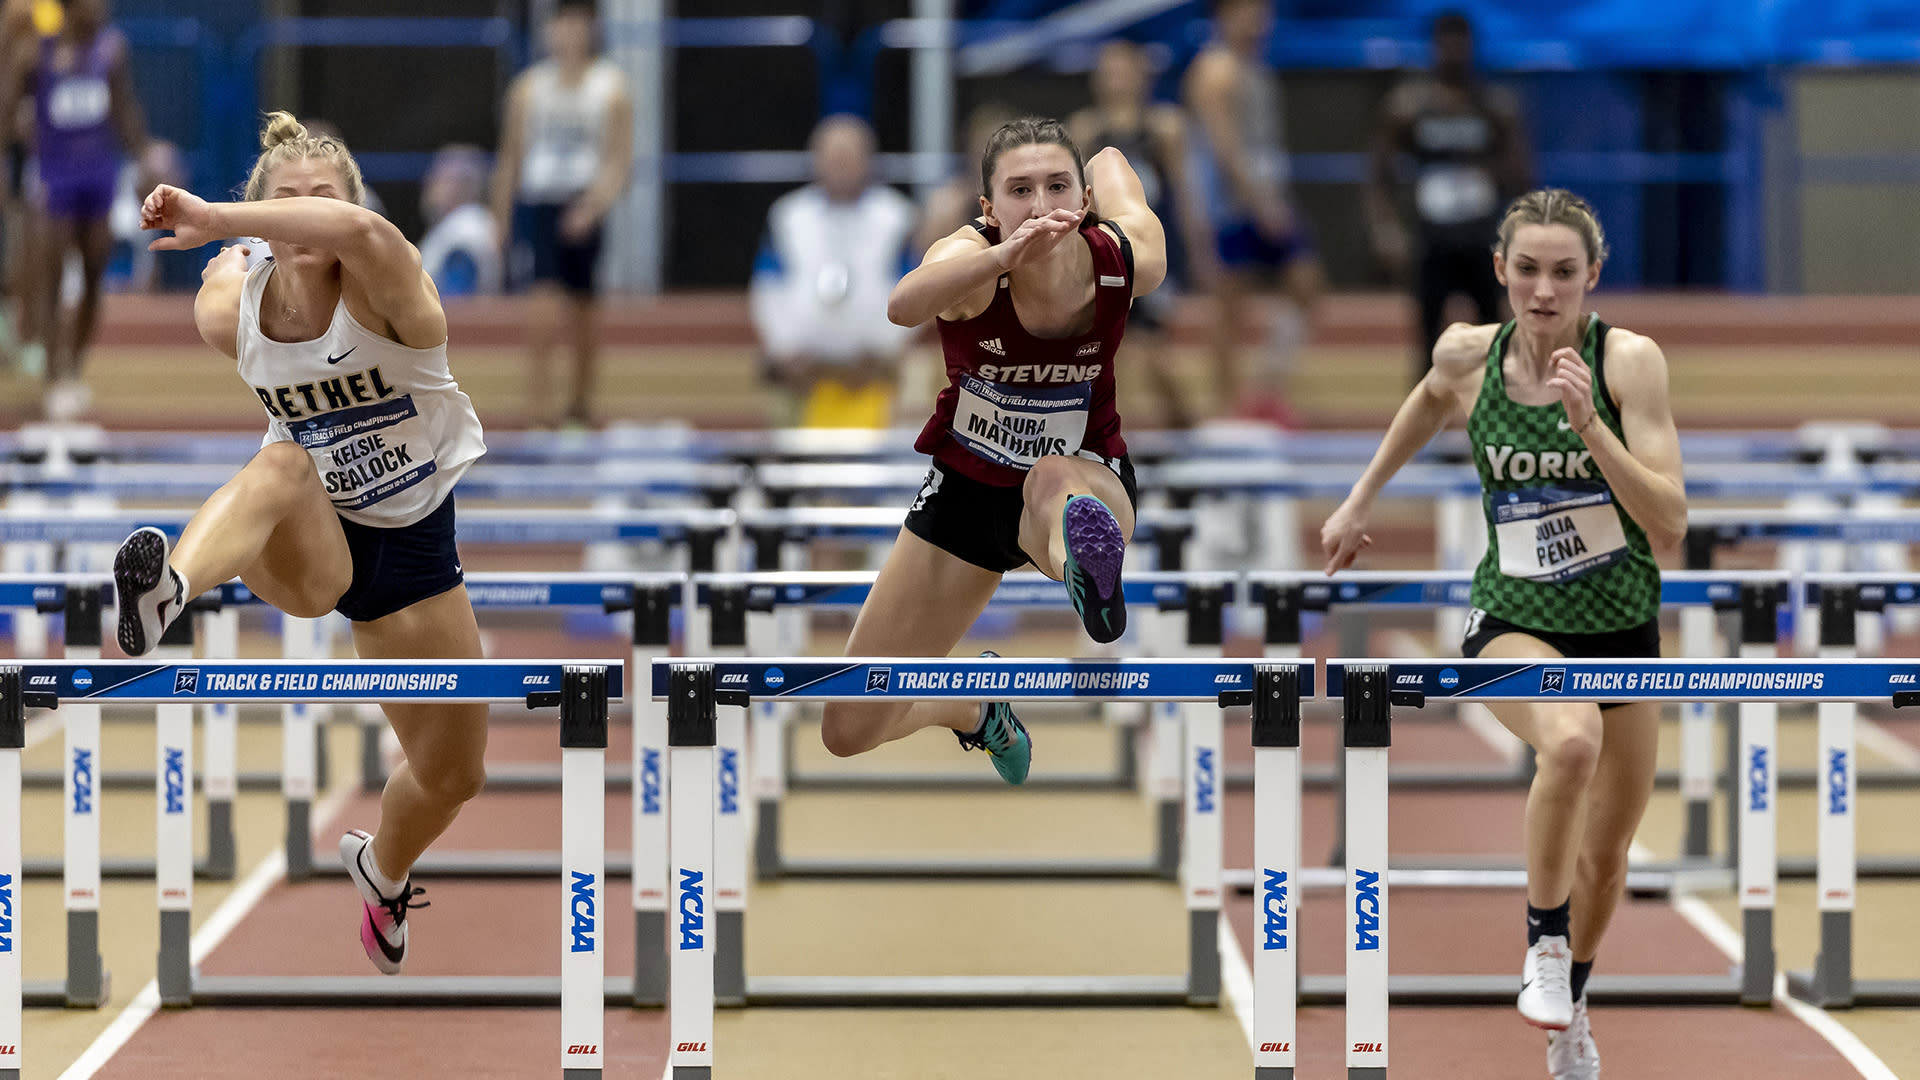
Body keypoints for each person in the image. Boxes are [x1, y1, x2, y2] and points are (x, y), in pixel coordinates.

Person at [1320, 190, 1686, 1080]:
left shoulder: (1628, 363)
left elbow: (1671, 520)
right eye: (1527, 270)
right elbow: (1427, 400)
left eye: (1564, 273)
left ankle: (1573, 1012)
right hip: (1513, 621)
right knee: (1570, 740)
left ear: (1592, 278)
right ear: (1500, 272)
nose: (1544, 290)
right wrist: (1361, 498)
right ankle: (1543, 945)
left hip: (1624, 630)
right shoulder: (1466, 355)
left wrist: (1590, 428)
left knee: (1607, 862)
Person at [114, 111, 489, 977]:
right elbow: (225, 286)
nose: (308, 216)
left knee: (454, 777)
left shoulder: (388, 279)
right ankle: (168, 585)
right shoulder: (229, 308)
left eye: (321, 199)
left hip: (414, 556)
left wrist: (220, 223)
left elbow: (352, 230)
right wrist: (230, 251)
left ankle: (382, 868)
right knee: (281, 464)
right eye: (287, 203)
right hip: (311, 545)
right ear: (262, 215)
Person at [819, 118, 1168, 785]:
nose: (1040, 207)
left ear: (1084, 199)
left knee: (1053, 477)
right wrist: (1002, 256)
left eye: (1058, 187)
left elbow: (1123, 184)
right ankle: (966, 706)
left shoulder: (1120, 261)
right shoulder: (970, 262)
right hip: (967, 491)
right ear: (988, 210)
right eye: (1019, 191)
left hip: (1083, 476)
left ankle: (1085, 569)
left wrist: (1105, 158)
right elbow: (901, 306)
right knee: (847, 726)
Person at [0, 0, 148, 418]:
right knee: (48, 277)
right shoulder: (35, 51)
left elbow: (125, 112)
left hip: (98, 176)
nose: (100, 8)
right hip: (53, 178)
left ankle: (74, 365)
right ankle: (52, 375)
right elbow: (6, 112)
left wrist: (145, 156)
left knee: (94, 273)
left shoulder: (111, 49)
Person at [1366, 10, 1531, 383]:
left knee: (1496, 334)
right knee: (1427, 339)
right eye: (1447, 43)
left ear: (1473, 47)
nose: (1454, 51)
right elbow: (1380, 175)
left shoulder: (1494, 106)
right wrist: (1385, 229)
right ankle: (1425, 428)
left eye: (1462, 43)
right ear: (1434, 47)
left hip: (1482, 236)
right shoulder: (1409, 107)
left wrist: (1521, 234)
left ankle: (1499, 422)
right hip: (1433, 237)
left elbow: (1521, 176)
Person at [490, 0, 633, 429]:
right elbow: (511, 157)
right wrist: (500, 216)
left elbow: (619, 160)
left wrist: (594, 206)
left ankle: (581, 403)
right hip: (542, 200)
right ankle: (539, 406)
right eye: (562, 24)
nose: (569, 33)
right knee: (543, 299)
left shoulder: (612, 88)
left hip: (585, 201)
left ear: (591, 30)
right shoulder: (528, 89)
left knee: (585, 305)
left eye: (578, 25)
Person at [1182, 0, 1321, 427]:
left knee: (1305, 283)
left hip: (1265, 195)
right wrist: (1257, 203)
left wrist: (1274, 197)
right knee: (1229, 310)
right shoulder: (1216, 70)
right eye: (1248, 12)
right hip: (1232, 206)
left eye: (1264, 12)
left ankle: (1264, 391)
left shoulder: (1257, 67)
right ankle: (1224, 411)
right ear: (1224, 15)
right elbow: (1224, 148)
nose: (1259, 21)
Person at [1070, 39, 1212, 429]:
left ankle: (1185, 427)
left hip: (1150, 253)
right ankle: (1110, 435)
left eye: (1122, 69)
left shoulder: (1164, 126)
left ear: (1141, 74)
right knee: (1108, 354)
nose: (1115, 79)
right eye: (1107, 71)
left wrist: (1199, 250)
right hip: (1105, 252)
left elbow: (1185, 193)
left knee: (1155, 352)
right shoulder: (1085, 128)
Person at [749, 114, 916, 429]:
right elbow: (768, 287)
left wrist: (883, 348)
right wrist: (784, 348)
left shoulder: (896, 217)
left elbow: (914, 289)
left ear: (868, 161)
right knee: (796, 465)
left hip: (872, 373)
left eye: (849, 159)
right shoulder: (788, 215)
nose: (840, 167)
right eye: (832, 158)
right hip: (803, 373)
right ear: (816, 161)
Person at [416, 143, 502, 298]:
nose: (427, 182)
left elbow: (457, 299)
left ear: (460, 184)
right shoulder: (460, 224)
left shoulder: (465, 229)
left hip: (456, 321)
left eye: (437, 176)